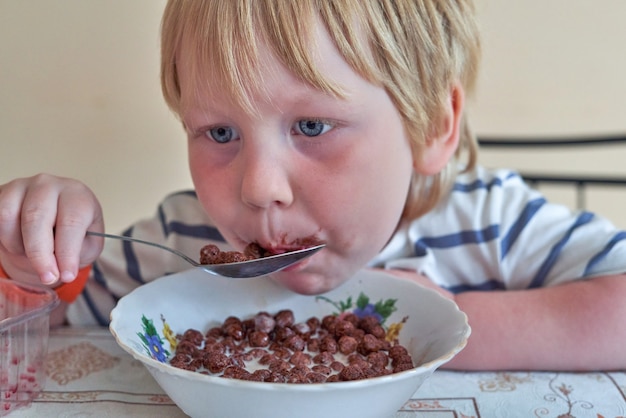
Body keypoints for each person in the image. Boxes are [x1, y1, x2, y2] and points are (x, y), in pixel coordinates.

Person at [1, 0, 625, 371]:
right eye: (220, 133)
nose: (260, 188)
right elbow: (41, 319)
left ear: (433, 125)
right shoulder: (180, 241)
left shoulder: (492, 224)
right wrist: (33, 259)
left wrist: (444, 325)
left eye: (311, 125)